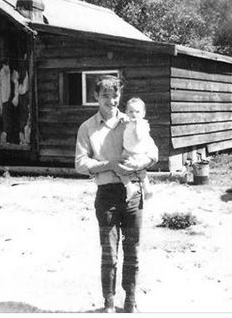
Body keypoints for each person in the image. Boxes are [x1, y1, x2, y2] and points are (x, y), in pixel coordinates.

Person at [75, 75, 158, 313]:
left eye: (115, 96)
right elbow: (80, 163)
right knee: (109, 253)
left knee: (133, 250)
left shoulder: (133, 119)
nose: (111, 101)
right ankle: (109, 303)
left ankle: (130, 301)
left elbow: (154, 153)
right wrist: (109, 164)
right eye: (105, 96)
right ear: (95, 97)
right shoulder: (87, 128)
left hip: (133, 193)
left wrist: (139, 164)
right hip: (107, 195)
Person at [119, 97, 155, 200]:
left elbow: (139, 138)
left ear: (143, 113)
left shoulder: (142, 124)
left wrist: (137, 127)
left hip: (135, 153)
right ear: (126, 112)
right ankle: (144, 189)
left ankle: (131, 187)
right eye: (131, 111)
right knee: (140, 172)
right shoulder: (128, 122)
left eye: (137, 112)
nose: (134, 114)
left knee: (121, 169)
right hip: (130, 151)